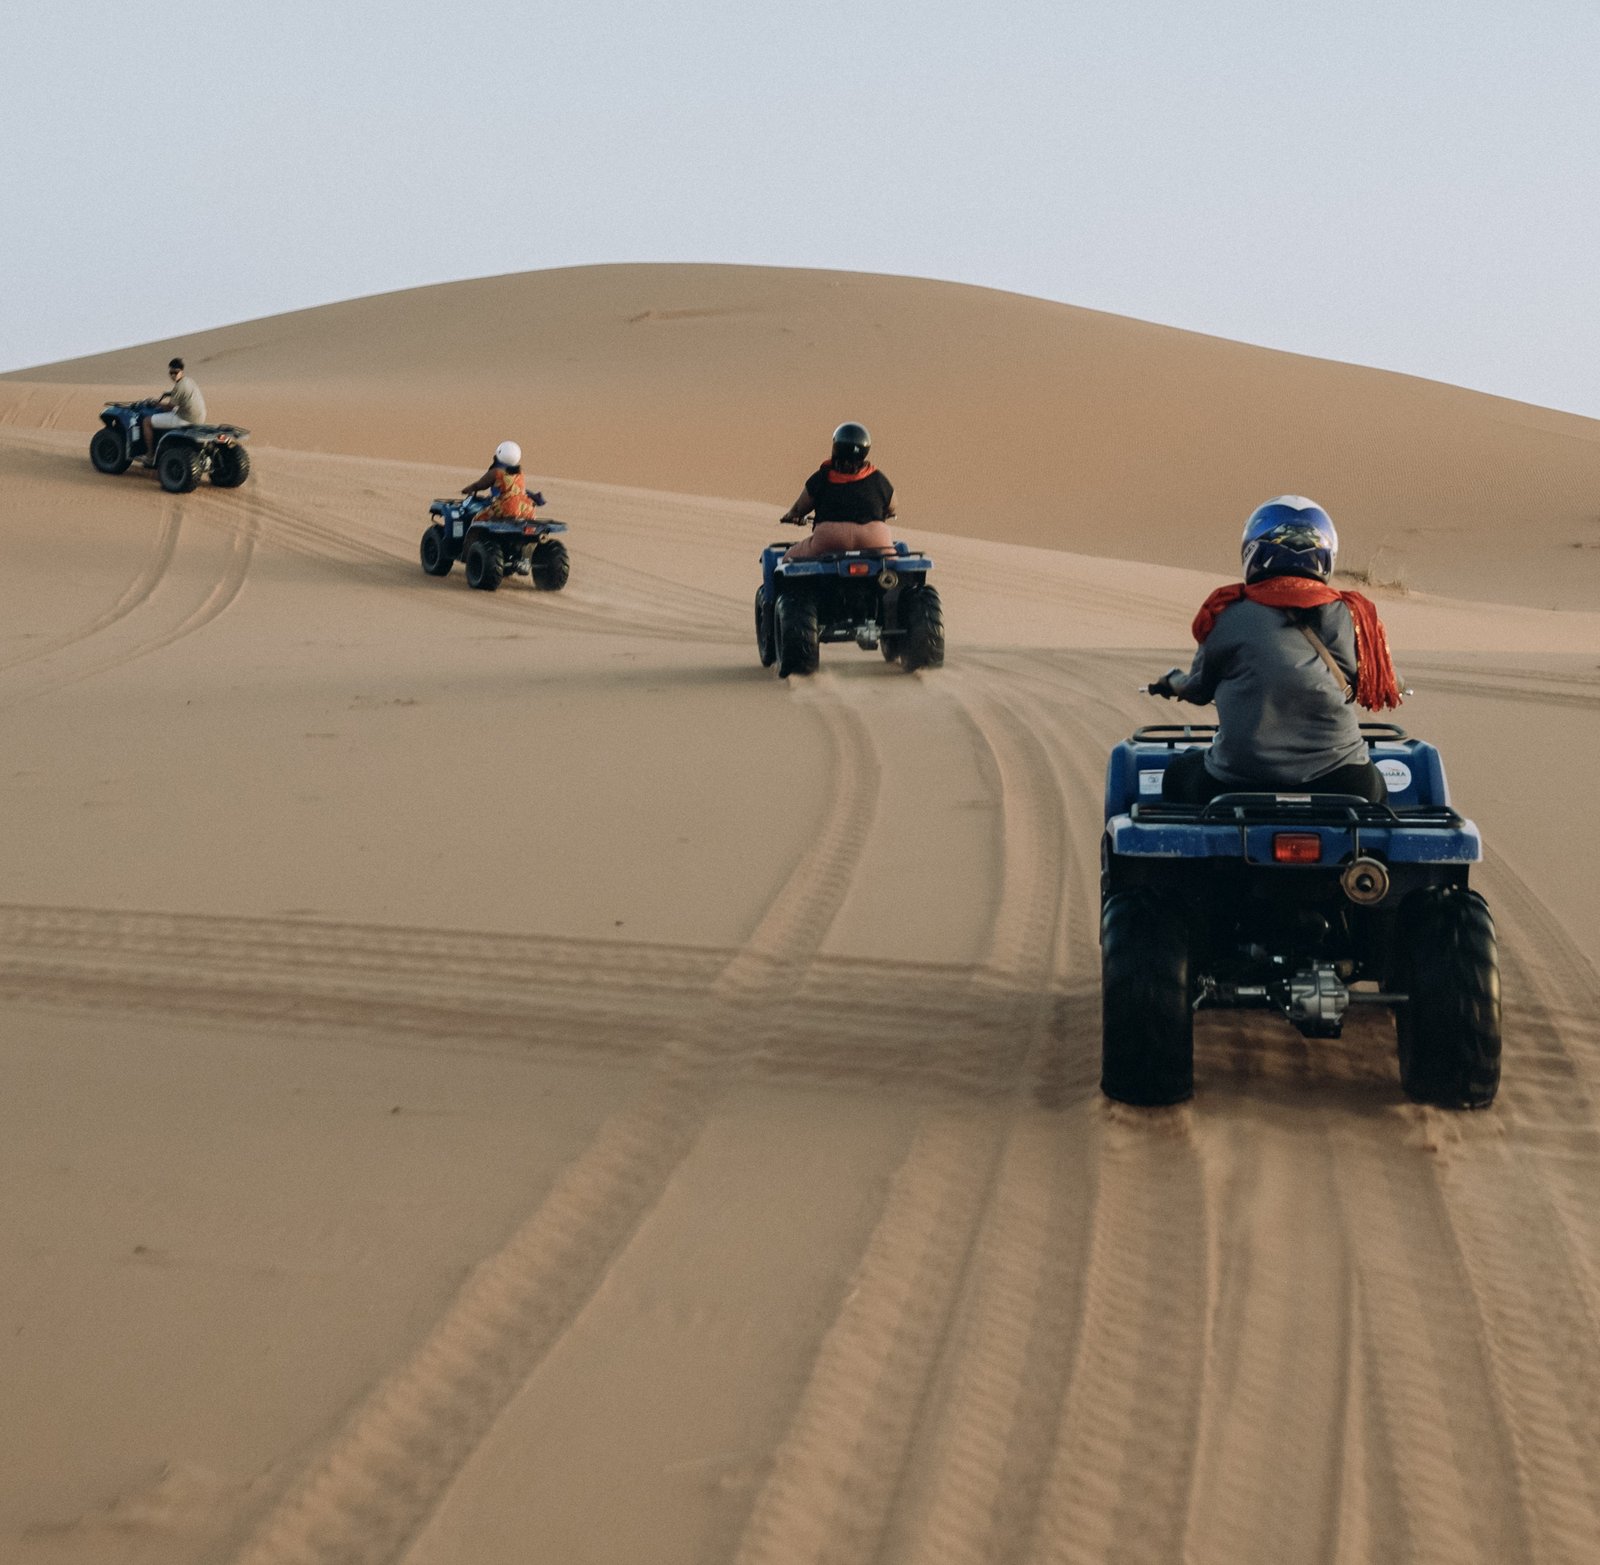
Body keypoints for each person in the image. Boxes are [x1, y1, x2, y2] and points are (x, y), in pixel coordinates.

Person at [1150, 496, 1404, 804]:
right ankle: (1366, 851)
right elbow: (1377, 680)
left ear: (1254, 549)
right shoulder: (1352, 615)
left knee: (1176, 774)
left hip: (1239, 779)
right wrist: (1397, 683)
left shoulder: (1227, 613)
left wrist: (1173, 681)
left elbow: (1199, 688)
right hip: (1342, 778)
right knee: (1379, 801)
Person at [779, 421, 896, 560]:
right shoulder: (878, 479)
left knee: (787, 560)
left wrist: (790, 516)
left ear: (836, 446)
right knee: (896, 567)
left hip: (829, 539)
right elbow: (892, 507)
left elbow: (799, 508)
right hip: (875, 539)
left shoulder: (822, 477)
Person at [141, 357, 206, 465]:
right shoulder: (189, 381)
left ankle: (150, 455)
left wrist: (155, 404)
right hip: (199, 417)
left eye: (175, 372)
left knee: (147, 421)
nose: (173, 375)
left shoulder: (179, 386)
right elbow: (181, 393)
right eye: (171, 372)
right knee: (171, 412)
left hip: (185, 418)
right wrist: (167, 394)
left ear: (181, 371)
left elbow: (169, 407)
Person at [461, 440, 540, 522]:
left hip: (507, 507)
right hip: (526, 508)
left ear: (499, 452)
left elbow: (479, 485)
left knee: (478, 519)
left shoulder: (497, 472)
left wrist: (465, 490)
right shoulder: (520, 473)